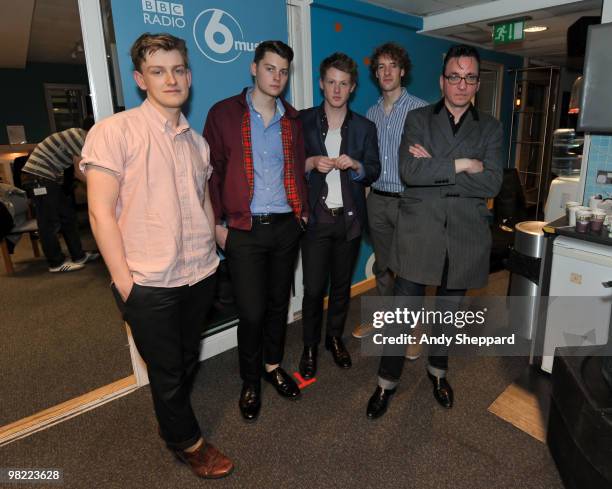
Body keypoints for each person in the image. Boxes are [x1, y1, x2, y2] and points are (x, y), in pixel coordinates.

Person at [81, 33, 233, 479]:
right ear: (140, 79)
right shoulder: (114, 131)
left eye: (179, 69)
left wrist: (213, 248)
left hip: (200, 274)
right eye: (158, 71)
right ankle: (188, 441)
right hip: (149, 282)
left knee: (185, 360)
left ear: (188, 74)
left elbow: (202, 201)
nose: (172, 79)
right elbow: (99, 212)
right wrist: (126, 285)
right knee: (168, 370)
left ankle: (170, 420)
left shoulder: (197, 142)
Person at [366, 44, 503, 419]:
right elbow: (410, 172)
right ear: (443, 81)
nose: (462, 84)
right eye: (455, 76)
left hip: (464, 238)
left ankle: (438, 372)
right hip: (418, 235)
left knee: (447, 315)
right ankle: (386, 382)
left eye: (470, 77)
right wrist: (463, 164)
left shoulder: (490, 127)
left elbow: (492, 184)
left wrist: (438, 169)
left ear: (477, 84)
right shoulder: (419, 118)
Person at [203, 41, 309, 422]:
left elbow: (297, 169)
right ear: (253, 68)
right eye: (270, 68)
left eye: (283, 71)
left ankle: (272, 366)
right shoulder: (224, 114)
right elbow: (209, 173)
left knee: (279, 305)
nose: (277, 77)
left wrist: (302, 216)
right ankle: (250, 380)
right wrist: (216, 225)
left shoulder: (293, 120)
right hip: (243, 230)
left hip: (285, 227)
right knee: (250, 312)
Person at [298, 53, 380, 379]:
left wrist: (357, 166)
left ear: (352, 88)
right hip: (316, 220)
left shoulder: (364, 127)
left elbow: (373, 170)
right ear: (321, 83)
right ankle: (308, 347)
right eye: (331, 82)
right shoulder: (302, 121)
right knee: (314, 289)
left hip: (349, 221)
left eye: (343, 83)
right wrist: (311, 162)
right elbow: (290, 166)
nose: (336, 89)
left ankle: (333, 339)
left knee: (343, 287)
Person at [352, 42, 427, 340]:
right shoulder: (370, 113)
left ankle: (412, 329)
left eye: (392, 65)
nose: (386, 71)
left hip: (409, 201)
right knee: (383, 267)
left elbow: (434, 158)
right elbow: (370, 161)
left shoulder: (421, 110)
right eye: (381, 66)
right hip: (377, 201)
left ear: (402, 71)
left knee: (411, 269)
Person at [21, 121, 99, 272]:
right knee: (49, 223)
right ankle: (55, 263)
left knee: (68, 217)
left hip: (47, 178)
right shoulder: (80, 138)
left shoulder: (79, 136)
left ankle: (78, 255)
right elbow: (79, 172)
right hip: (39, 178)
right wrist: (100, 187)